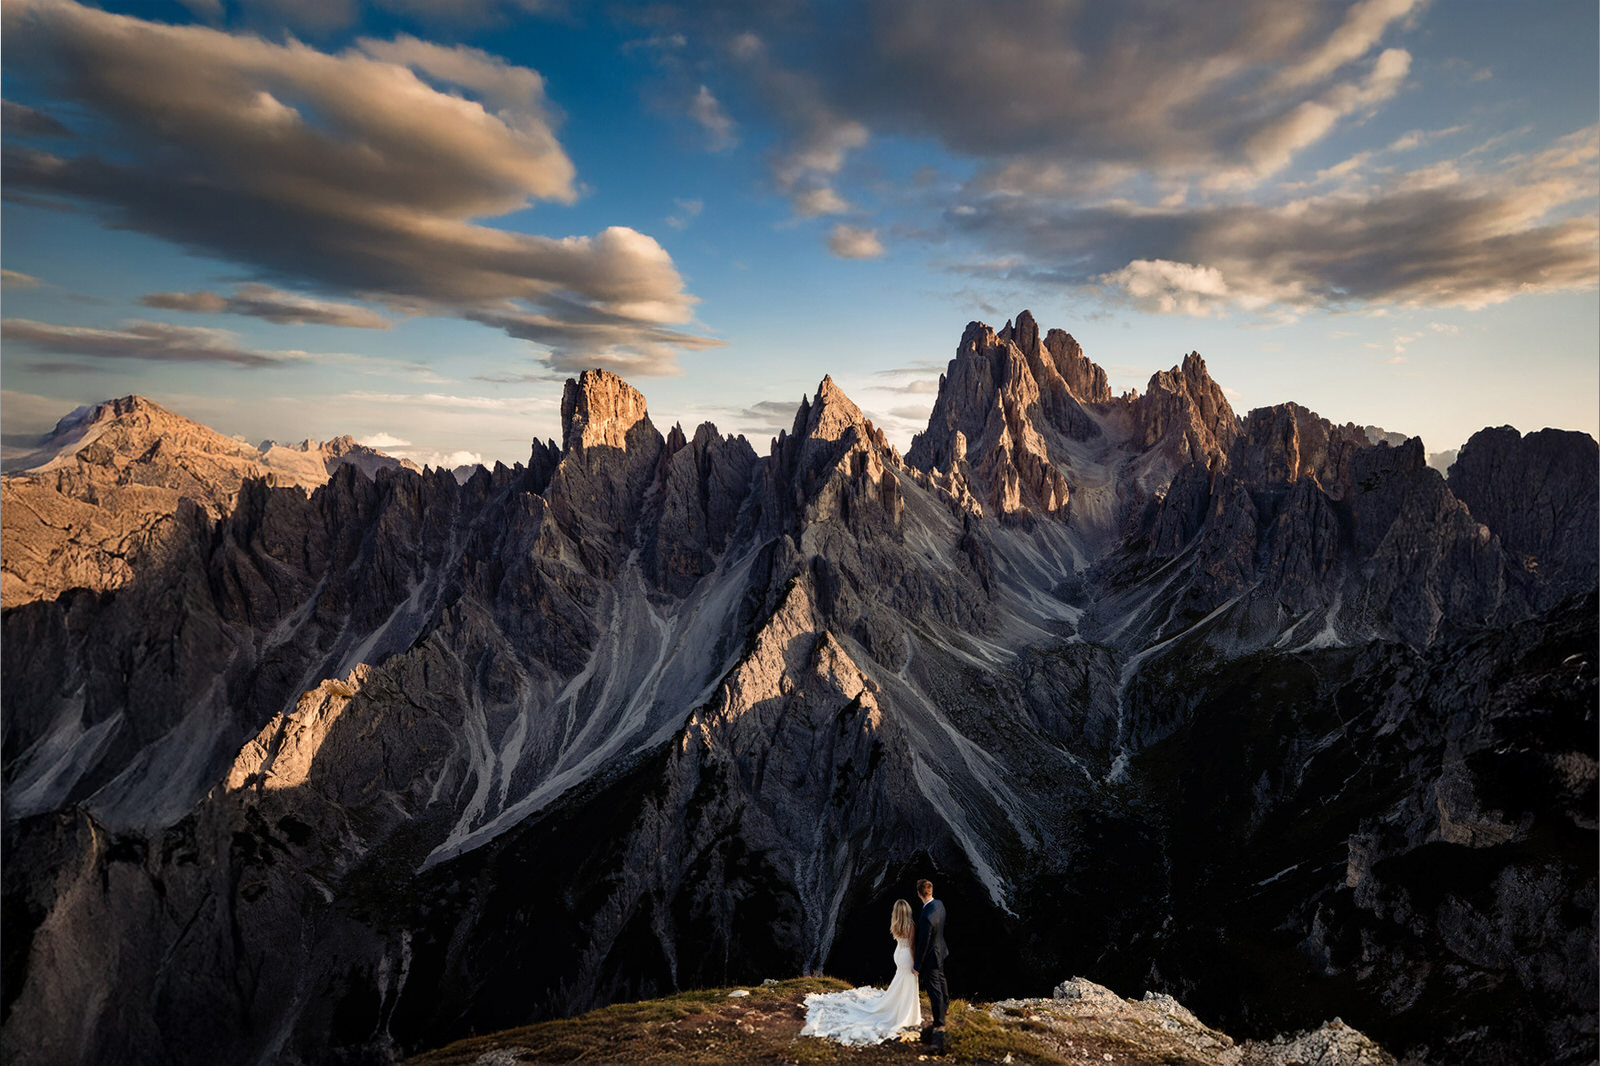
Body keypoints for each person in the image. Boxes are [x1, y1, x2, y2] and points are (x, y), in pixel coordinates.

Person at [798, 899, 923, 1045]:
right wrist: (916, 965)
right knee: (908, 983)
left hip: (898, 954)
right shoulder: (911, 925)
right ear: (907, 911)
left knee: (900, 981)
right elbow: (912, 946)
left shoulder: (895, 923)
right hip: (907, 955)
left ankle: (898, 1006)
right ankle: (907, 1012)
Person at [913, 878, 949, 1039]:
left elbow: (923, 943)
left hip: (931, 956)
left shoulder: (926, 916)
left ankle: (939, 1024)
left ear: (919, 894)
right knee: (942, 980)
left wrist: (917, 965)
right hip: (941, 950)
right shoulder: (939, 904)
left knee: (934, 990)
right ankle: (946, 1006)